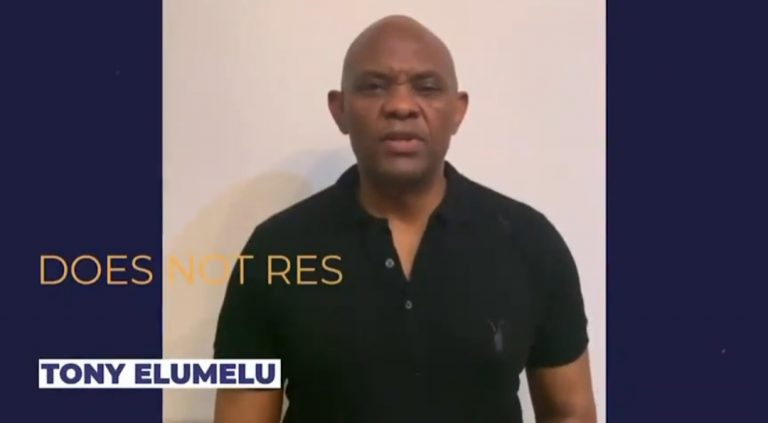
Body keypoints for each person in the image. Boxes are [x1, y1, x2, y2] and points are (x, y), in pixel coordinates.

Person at [213, 14, 596, 423]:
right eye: (373, 86)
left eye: (426, 87)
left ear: (458, 110)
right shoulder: (274, 251)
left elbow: (570, 412)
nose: (400, 106)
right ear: (339, 109)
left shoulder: (530, 243)